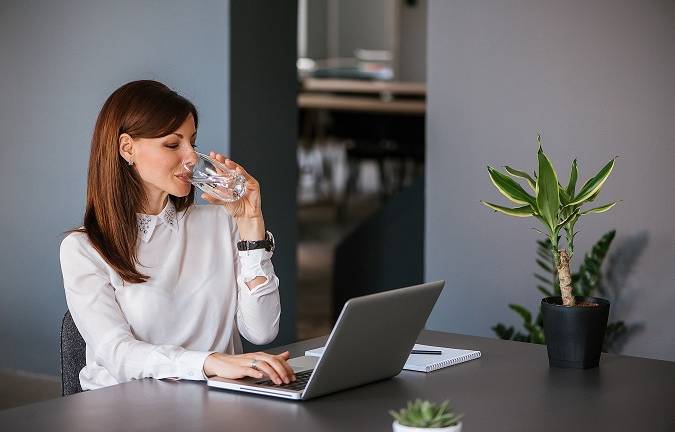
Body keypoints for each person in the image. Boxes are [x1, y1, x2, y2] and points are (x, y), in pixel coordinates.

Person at [59, 80, 295, 391]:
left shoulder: (221, 222)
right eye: (173, 144)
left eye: (192, 143)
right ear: (127, 148)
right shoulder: (83, 248)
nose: (192, 158)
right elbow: (118, 354)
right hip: (124, 409)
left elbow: (262, 332)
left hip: (216, 403)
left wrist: (251, 224)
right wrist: (210, 362)